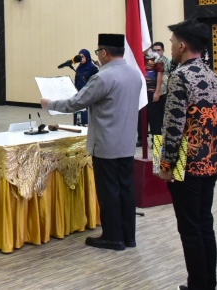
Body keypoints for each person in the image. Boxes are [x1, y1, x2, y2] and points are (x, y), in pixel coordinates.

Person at [41, 33, 143, 251]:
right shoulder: (135, 74)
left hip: (106, 144)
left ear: (104, 53)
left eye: (98, 52)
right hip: (126, 143)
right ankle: (128, 236)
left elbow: (76, 102)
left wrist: (50, 104)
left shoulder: (103, 77)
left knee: (108, 192)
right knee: (126, 188)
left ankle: (113, 237)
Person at [156, 19, 217, 290]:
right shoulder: (212, 75)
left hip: (186, 161)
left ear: (182, 45)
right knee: (205, 223)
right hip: (210, 159)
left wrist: (165, 164)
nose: (170, 46)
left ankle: (197, 285)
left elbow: (173, 125)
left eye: (172, 42)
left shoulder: (180, 76)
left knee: (189, 229)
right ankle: (209, 283)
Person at [143, 45, 165, 146]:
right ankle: (142, 141)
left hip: (152, 93)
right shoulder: (137, 57)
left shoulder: (156, 58)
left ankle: (157, 145)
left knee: (155, 120)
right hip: (141, 93)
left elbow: (160, 75)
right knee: (141, 121)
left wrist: (157, 92)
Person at [72, 49, 99, 126]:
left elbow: (96, 81)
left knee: (86, 115)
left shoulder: (93, 68)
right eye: (80, 57)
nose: (81, 58)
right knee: (78, 114)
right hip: (79, 93)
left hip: (88, 94)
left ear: (87, 57)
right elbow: (76, 80)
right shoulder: (79, 68)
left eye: (83, 56)